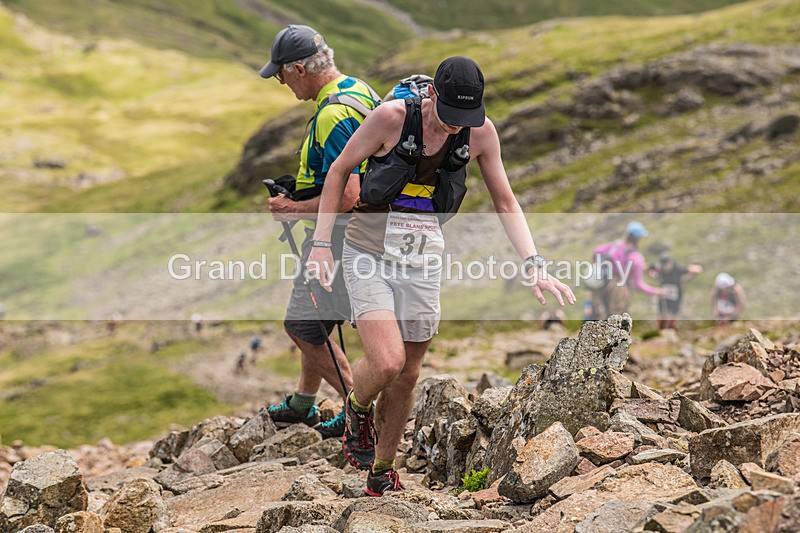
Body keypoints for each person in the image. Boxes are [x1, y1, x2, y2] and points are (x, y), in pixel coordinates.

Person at [307, 56, 575, 496]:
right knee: (388, 361)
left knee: (409, 372)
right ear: (432, 94)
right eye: (450, 117)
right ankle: (357, 404)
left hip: (423, 257)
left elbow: (505, 201)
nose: (456, 128)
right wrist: (320, 244)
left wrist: (534, 263)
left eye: (464, 120)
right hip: (367, 251)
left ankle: (382, 471)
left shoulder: (481, 132)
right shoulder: (391, 119)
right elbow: (338, 172)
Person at [260, 24, 380, 439]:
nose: (280, 82)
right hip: (365, 233)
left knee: (302, 327)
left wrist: (293, 208)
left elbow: (348, 194)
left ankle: (361, 414)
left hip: (341, 237)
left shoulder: (333, 114)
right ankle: (303, 402)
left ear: (298, 69)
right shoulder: (357, 90)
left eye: (280, 74)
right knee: (316, 324)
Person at [588, 221, 666, 320]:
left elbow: (596, 252)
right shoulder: (636, 257)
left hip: (602, 286)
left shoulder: (615, 245)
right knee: (619, 319)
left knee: (604, 317)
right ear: (638, 238)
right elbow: (638, 285)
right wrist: (657, 291)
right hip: (620, 292)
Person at [647, 253, 702, 330]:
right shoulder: (659, 268)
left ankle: (672, 331)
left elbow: (697, 270)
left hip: (675, 297)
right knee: (662, 317)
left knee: (672, 318)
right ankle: (660, 332)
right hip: (663, 296)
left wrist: (685, 280)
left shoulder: (678, 269)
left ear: (671, 263)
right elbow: (646, 268)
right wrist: (652, 274)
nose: (665, 268)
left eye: (666, 265)